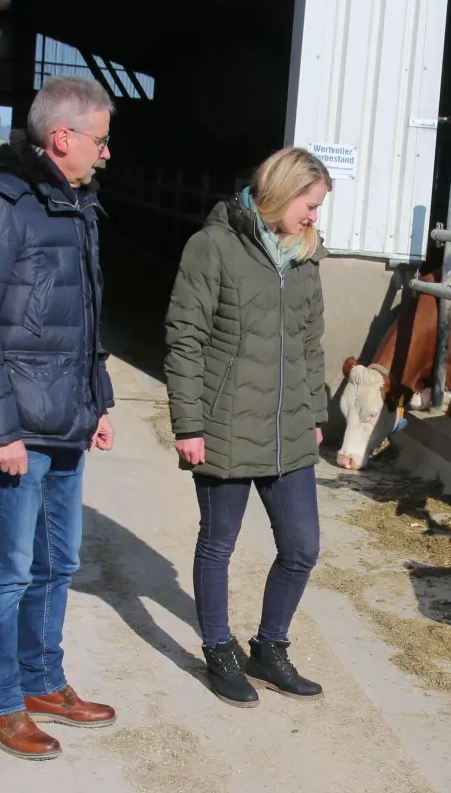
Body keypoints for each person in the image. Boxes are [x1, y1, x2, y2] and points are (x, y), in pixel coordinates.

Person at [0, 76, 118, 761]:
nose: (107, 155)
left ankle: (44, 679)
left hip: (67, 417)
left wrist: (97, 396)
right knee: (9, 569)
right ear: (63, 137)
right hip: (18, 424)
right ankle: (1, 700)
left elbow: (86, 315)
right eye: (101, 142)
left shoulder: (76, 203)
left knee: (59, 561)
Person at [163, 147, 331, 708]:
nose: (313, 217)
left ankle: (270, 647)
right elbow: (184, 340)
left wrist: (315, 416)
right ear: (280, 193)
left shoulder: (306, 258)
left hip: (287, 428)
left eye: (318, 208)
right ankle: (218, 650)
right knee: (219, 544)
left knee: (302, 546)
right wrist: (188, 424)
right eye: (309, 205)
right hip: (224, 423)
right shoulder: (213, 247)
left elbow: (310, 345)